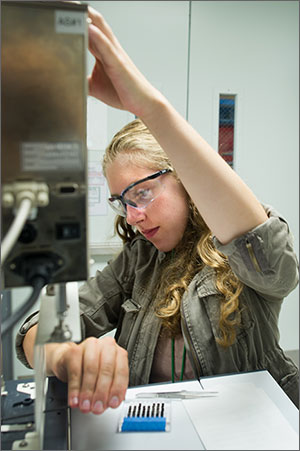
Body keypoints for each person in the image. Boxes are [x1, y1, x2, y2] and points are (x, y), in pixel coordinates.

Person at [16, 6, 299, 415]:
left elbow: (260, 246)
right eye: (123, 202)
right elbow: (37, 331)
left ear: (184, 180)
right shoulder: (138, 261)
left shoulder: (242, 256)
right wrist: (66, 358)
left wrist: (150, 107)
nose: (132, 215)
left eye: (143, 193)